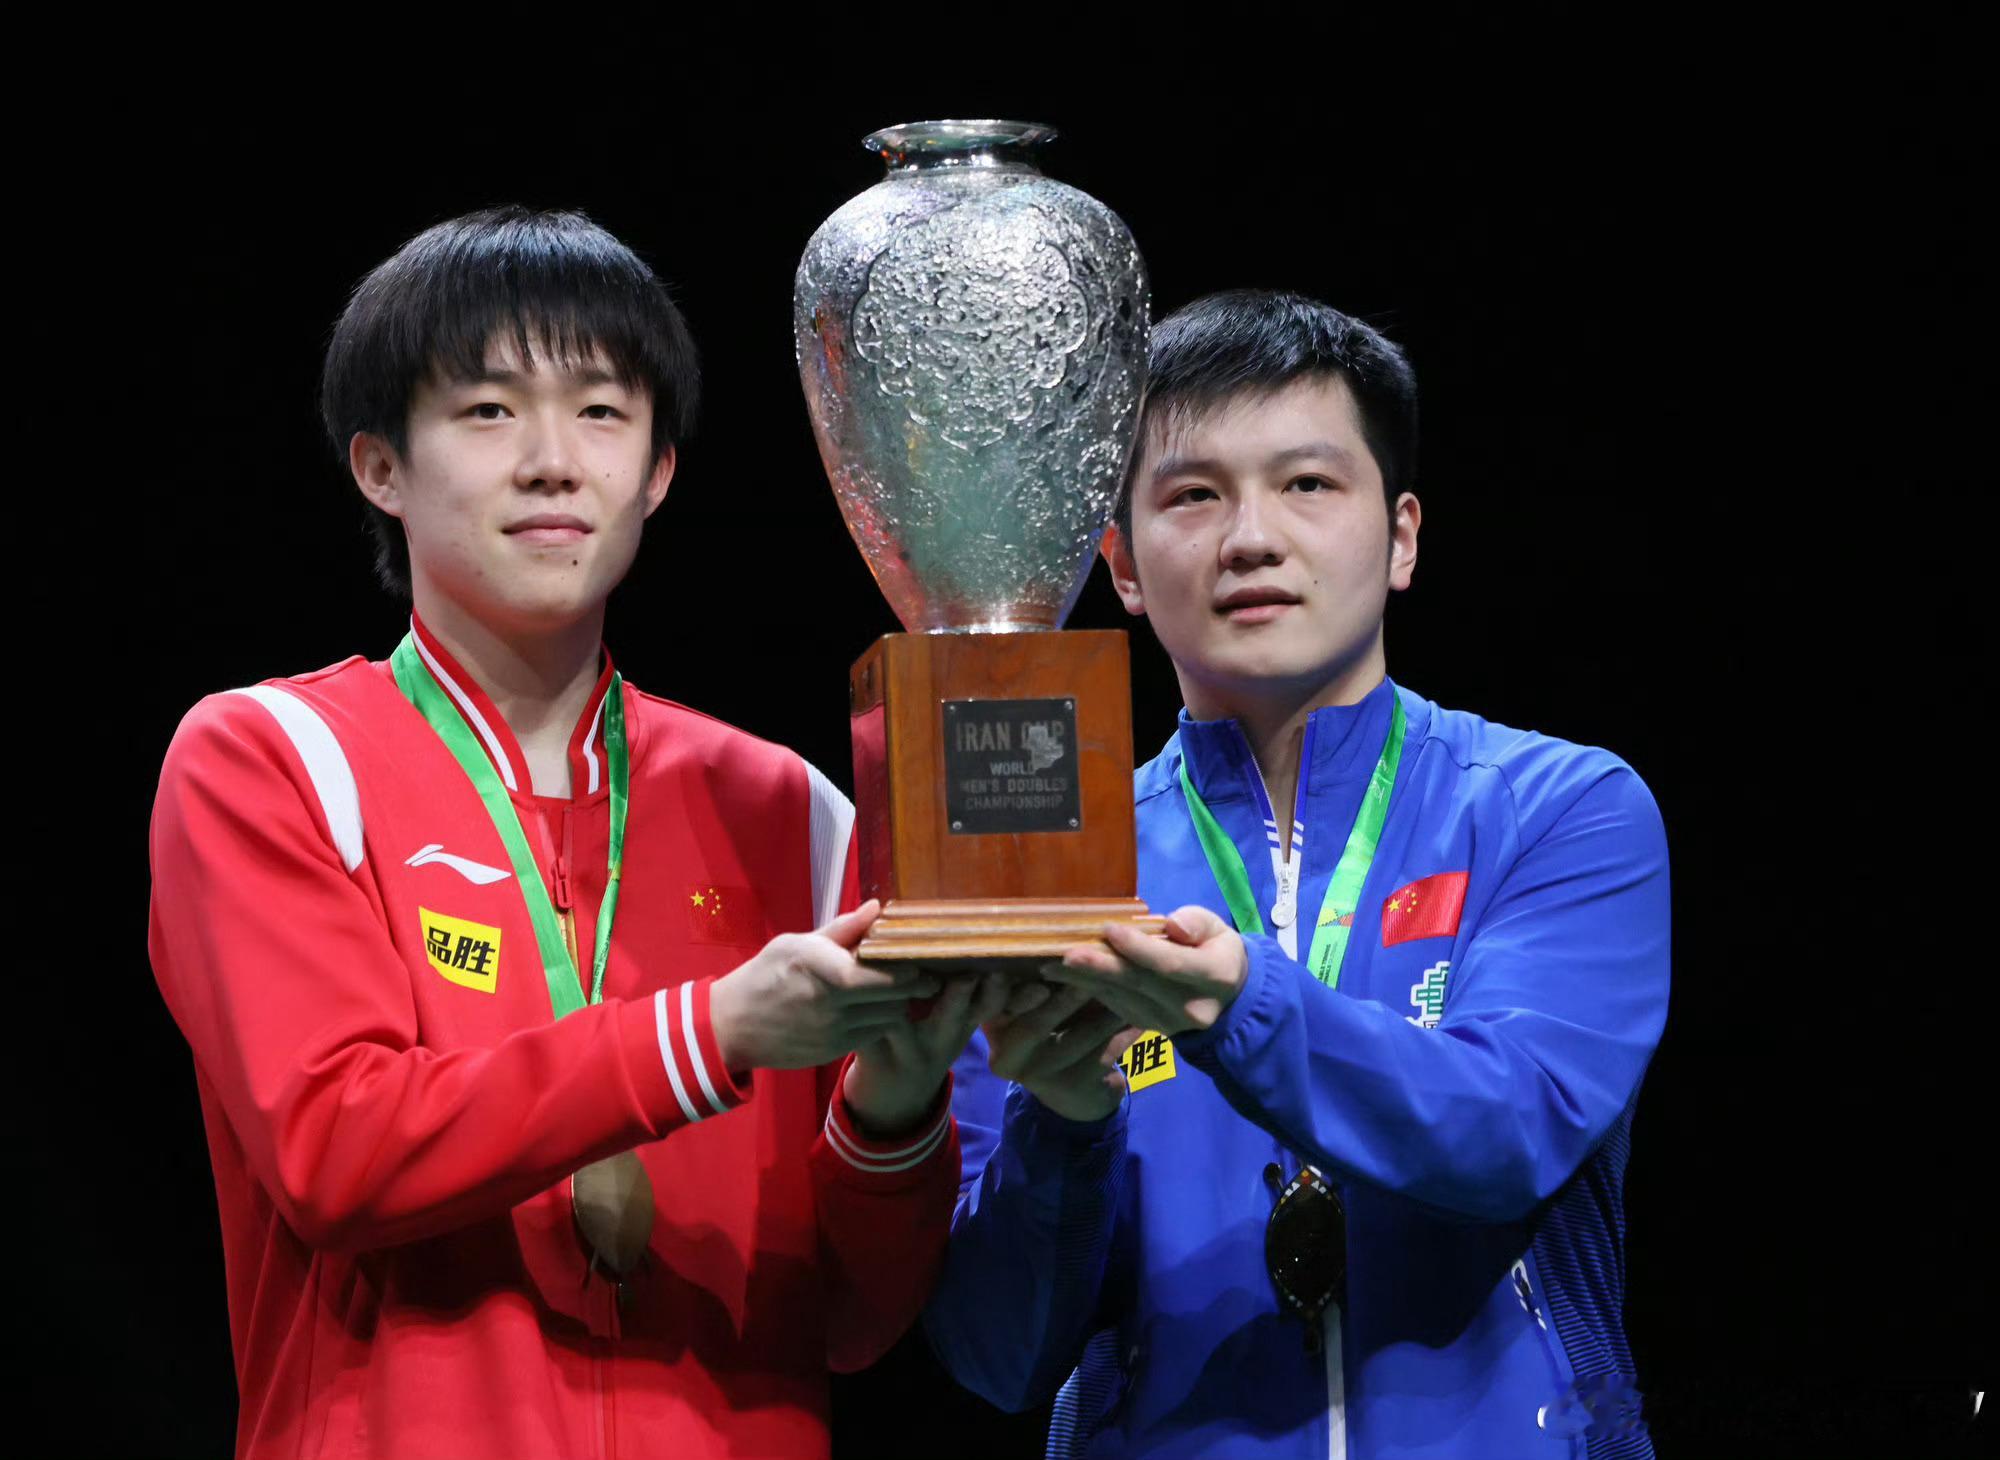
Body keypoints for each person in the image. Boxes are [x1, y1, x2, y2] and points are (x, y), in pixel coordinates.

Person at [148, 207, 1000, 1460]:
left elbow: (852, 1318)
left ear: (657, 470)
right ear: (380, 467)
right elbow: (335, 1148)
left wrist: (894, 1102)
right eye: (488, 410)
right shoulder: (272, 758)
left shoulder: (790, 809)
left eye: (601, 411)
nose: (552, 461)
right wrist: (706, 1033)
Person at [926, 290, 1670, 1459]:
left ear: (1401, 534)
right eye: (1192, 494)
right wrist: (1063, 1118)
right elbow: (994, 1353)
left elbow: (1511, 1126)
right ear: (1120, 563)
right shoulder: (1045, 877)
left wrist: (1237, 1002)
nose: (1249, 538)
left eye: (1307, 483)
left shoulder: (1557, 808)